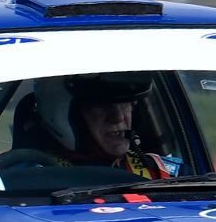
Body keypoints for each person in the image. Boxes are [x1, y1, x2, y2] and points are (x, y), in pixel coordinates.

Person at [23, 74, 176, 179]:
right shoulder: (29, 180)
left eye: (124, 103)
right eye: (101, 105)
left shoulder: (167, 173)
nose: (118, 117)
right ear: (63, 114)